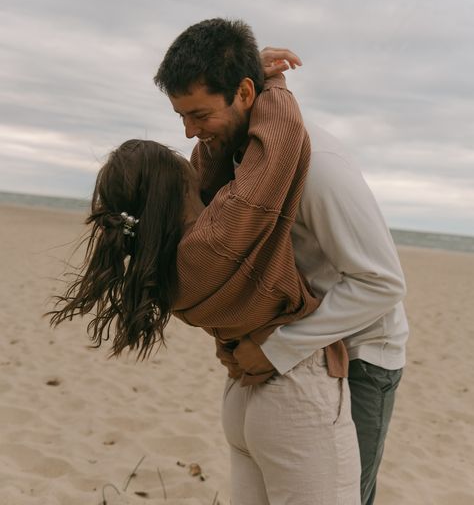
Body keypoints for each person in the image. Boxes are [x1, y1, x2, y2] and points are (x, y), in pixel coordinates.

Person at [49, 64, 361, 503]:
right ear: (175, 189)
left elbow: (213, 170)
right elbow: (280, 144)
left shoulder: (161, 260)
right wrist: (269, 83)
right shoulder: (218, 238)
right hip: (296, 394)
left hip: (244, 399)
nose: (193, 150)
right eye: (181, 162)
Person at [154, 18, 409, 505]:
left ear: (245, 94)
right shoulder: (245, 152)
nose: (190, 131)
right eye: (181, 116)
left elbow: (382, 284)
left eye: (200, 114)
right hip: (301, 349)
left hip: (360, 353)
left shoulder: (321, 166)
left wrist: (279, 347)